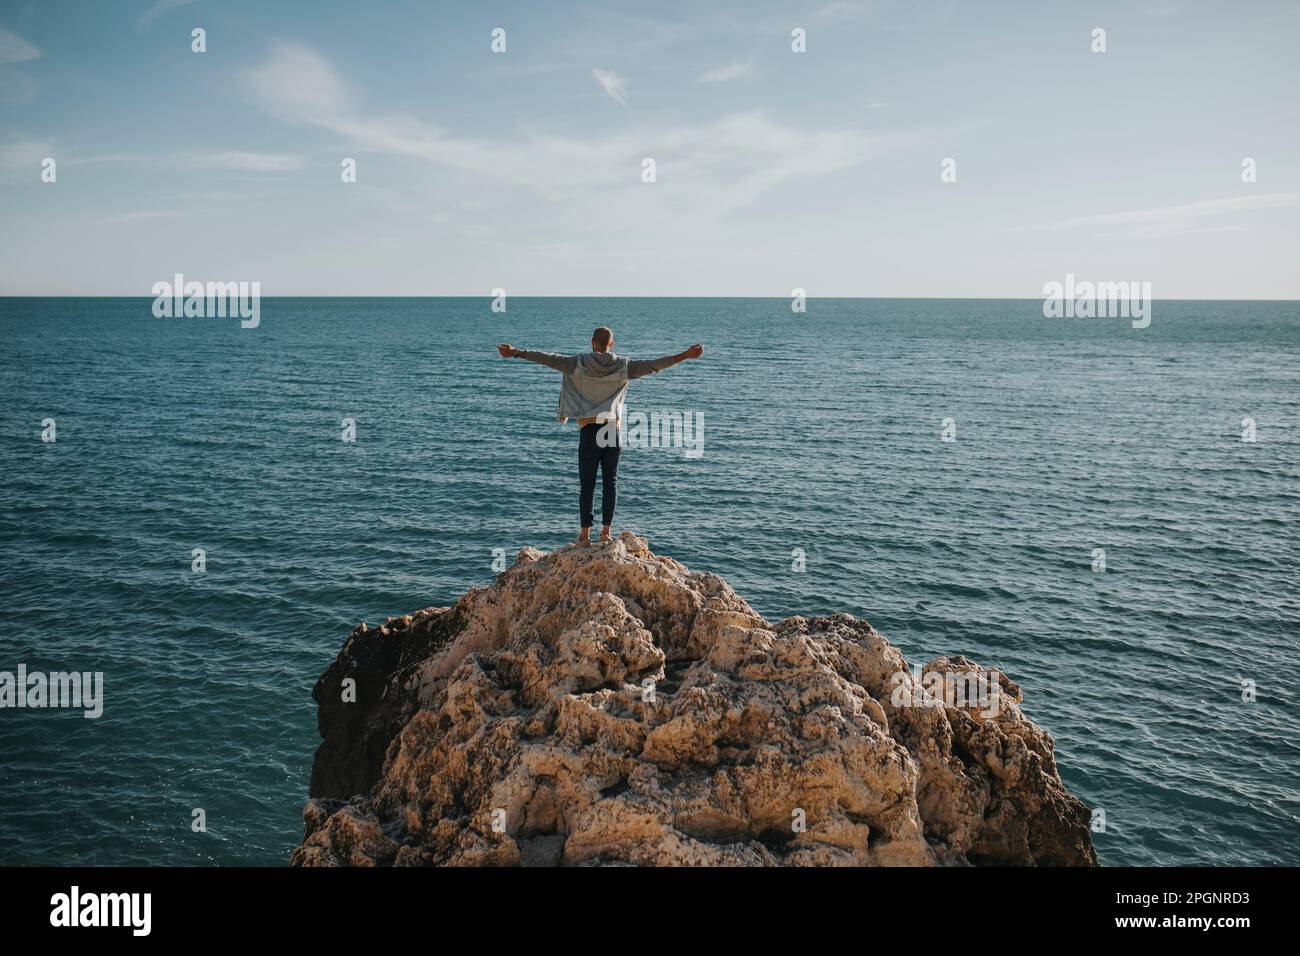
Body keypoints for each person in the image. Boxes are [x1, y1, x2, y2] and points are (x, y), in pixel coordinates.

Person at [497, 327, 703, 544]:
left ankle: (584, 536)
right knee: (610, 482)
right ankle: (606, 533)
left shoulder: (577, 363)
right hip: (612, 430)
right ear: (611, 344)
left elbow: (547, 359)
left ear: (592, 342)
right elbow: (655, 365)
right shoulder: (624, 366)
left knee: (587, 485)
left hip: (589, 429)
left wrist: (516, 352)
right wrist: (686, 355)